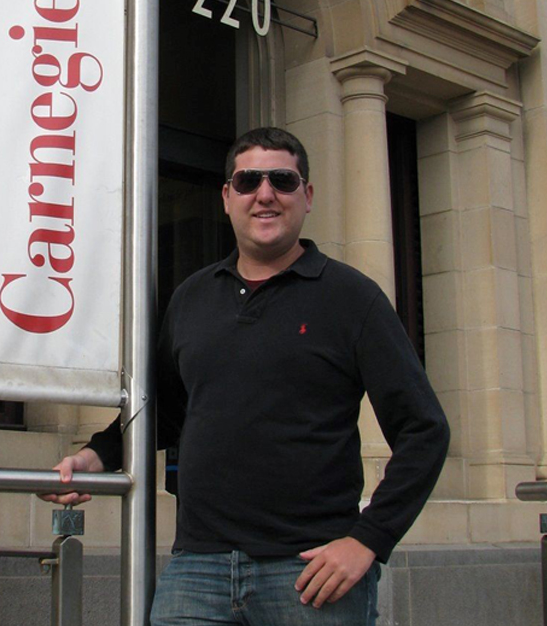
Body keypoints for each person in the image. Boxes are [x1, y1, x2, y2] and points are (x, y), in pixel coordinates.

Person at [46, 127, 450, 625]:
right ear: (226, 196)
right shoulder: (192, 298)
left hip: (308, 576)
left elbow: (424, 430)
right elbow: (165, 412)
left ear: (307, 196)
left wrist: (370, 539)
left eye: (282, 180)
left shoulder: (352, 299)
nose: (264, 194)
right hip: (198, 569)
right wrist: (97, 456)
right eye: (248, 181)